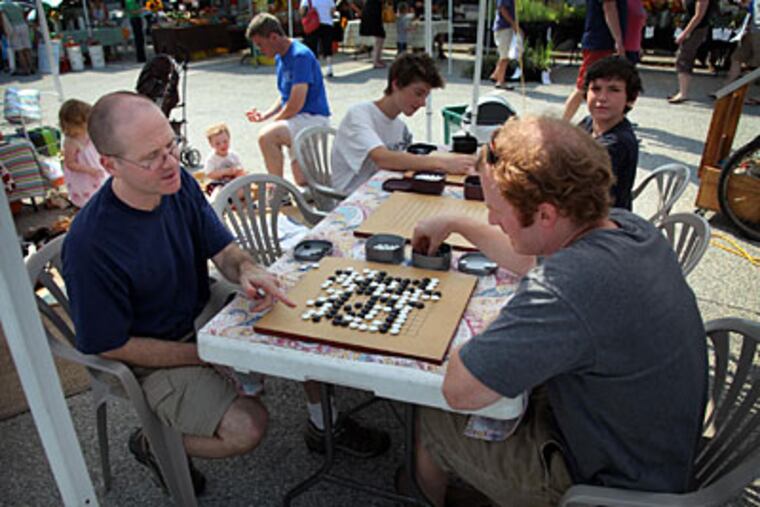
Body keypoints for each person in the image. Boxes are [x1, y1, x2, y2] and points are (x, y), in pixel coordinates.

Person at [410, 115, 707, 507]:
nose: (493, 220)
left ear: (547, 215)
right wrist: (456, 222)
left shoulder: (566, 286)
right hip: (656, 449)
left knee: (430, 417)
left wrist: (509, 317)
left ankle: (429, 487)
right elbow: (531, 261)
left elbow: (459, 390)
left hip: (612, 484)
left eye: (497, 209)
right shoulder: (629, 228)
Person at [62, 92, 293, 494]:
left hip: (196, 315)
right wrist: (208, 355)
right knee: (248, 427)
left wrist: (248, 268)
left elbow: (222, 249)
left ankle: (325, 421)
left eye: (171, 145)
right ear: (109, 165)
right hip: (146, 359)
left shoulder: (176, 182)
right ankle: (151, 443)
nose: (170, 163)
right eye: (151, 156)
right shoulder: (89, 246)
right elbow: (111, 345)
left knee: (299, 323)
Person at [330, 52, 477, 195]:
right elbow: (382, 158)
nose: (422, 103)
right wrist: (443, 163)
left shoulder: (400, 127)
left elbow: (409, 160)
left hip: (385, 190)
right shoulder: (359, 115)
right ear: (396, 84)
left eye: (425, 96)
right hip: (351, 198)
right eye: (418, 93)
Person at [245, 13, 331, 188]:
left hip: (312, 118)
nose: (259, 49)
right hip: (298, 119)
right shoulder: (280, 56)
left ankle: (277, 190)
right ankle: (339, 184)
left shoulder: (300, 56)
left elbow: (295, 103)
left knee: (266, 137)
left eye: (260, 44)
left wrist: (274, 122)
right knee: (303, 180)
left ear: (274, 37)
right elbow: (287, 94)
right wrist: (266, 115)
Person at [579, 55, 642, 210]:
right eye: (595, 89)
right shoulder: (588, 123)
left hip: (602, 220)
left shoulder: (617, 143)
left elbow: (572, 185)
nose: (602, 98)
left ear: (630, 98)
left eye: (614, 90)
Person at [562, 0, 627, 120]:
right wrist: (618, 40)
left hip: (600, 41)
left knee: (603, 85)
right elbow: (609, 7)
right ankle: (562, 124)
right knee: (583, 86)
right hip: (600, 42)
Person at [59, 99, 108, 208]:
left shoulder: (88, 133)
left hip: (96, 168)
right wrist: (89, 170)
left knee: (103, 191)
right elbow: (70, 163)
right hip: (83, 176)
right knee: (90, 199)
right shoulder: (71, 141)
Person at [667, 0, 717, 104]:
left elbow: (698, 16)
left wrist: (684, 34)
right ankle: (682, 90)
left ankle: (683, 93)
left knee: (684, 58)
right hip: (691, 27)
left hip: (696, 29)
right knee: (683, 57)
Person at [715, 0, 760, 104]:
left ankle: (741, 92)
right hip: (750, 30)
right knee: (736, 58)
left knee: (755, 66)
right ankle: (726, 89)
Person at [300, 0, 336, 77]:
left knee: (313, 47)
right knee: (327, 46)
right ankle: (329, 68)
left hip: (313, 24)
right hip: (327, 24)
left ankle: (316, 69)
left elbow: (302, 12)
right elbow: (333, 12)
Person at [489, 0, 519, 90]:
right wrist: (513, 24)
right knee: (505, 56)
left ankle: (496, 74)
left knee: (504, 53)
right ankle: (500, 81)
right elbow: (502, 9)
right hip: (504, 27)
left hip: (503, 27)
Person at [0, 0, 34, 75]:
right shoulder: (17, 4)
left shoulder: (1, 5)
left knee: (19, 50)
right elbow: (24, 13)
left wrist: (4, 29)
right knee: (27, 48)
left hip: (13, 26)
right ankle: (32, 67)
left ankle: (25, 70)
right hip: (23, 25)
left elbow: (1, 18)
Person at [360, 0, 386, 68]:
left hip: (372, 11)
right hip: (373, 12)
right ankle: (376, 61)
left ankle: (377, 59)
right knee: (379, 37)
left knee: (380, 37)